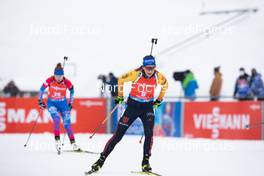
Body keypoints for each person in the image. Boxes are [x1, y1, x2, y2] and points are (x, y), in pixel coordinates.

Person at [89, 55, 168, 173]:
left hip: (147, 107)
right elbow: (121, 80)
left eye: (152, 68)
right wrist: (120, 96)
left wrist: (159, 100)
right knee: (118, 135)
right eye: (148, 68)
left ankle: (145, 162)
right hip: (133, 106)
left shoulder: (158, 76)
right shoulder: (135, 74)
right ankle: (101, 160)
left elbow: (165, 85)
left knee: (149, 134)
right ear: (143, 67)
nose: (150, 71)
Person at [38, 63, 80, 153]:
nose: (58, 78)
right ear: (54, 75)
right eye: (57, 76)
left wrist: (71, 103)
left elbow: (72, 91)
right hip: (52, 103)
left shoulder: (67, 82)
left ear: (63, 75)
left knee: (67, 124)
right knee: (56, 118)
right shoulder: (49, 80)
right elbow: (41, 90)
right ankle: (57, 140)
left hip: (63, 104)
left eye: (60, 76)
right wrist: (40, 101)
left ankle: (73, 143)